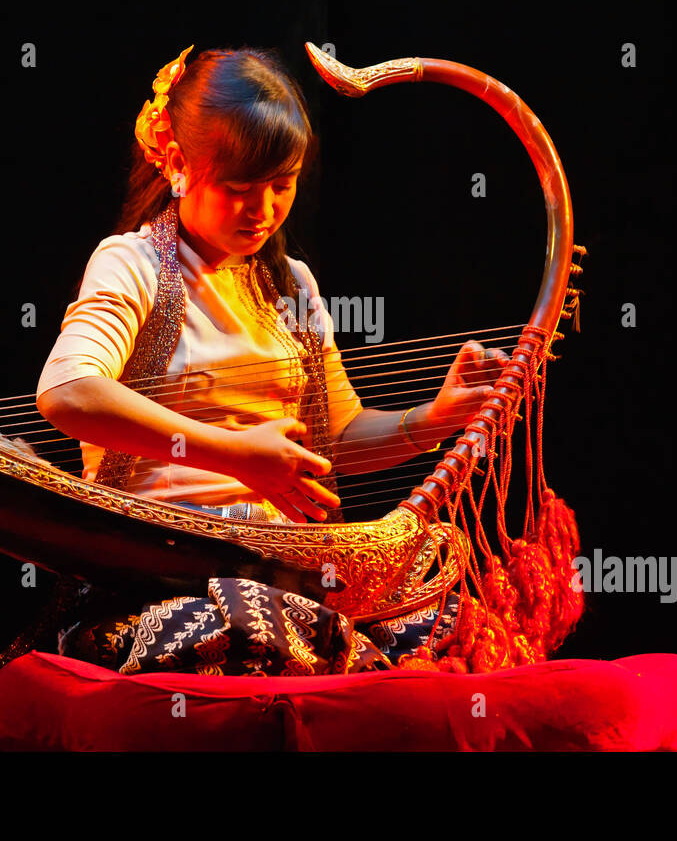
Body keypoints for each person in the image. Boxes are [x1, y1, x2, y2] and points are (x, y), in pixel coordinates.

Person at [35, 44, 509, 675]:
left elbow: (335, 440)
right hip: (156, 576)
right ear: (178, 164)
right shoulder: (134, 263)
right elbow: (68, 392)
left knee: (454, 612)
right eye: (239, 189)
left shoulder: (293, 286)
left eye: (281, 186)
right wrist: (235, 456)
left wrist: (434, 420)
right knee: (247, 629)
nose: (262, 212)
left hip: (286, 567)